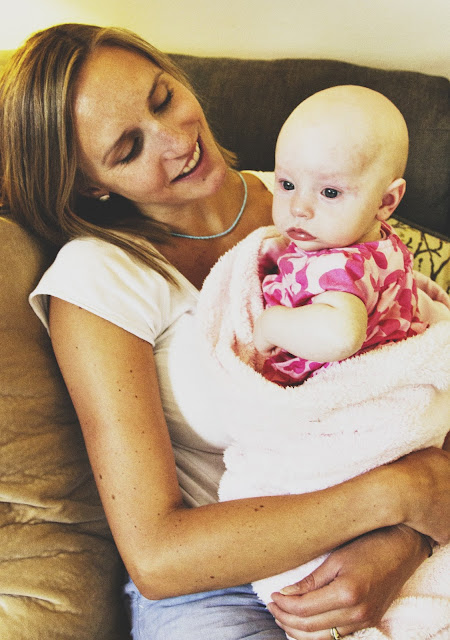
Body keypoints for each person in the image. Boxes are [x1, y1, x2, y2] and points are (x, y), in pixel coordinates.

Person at [0, 23, 449, 640]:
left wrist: (401, 540)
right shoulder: (100, 279)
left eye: (163, 98)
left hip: (403, 534)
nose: (176, 140)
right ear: (89, 184)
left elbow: (416, 373)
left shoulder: (314, 194)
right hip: (223, 580)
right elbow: (157, 557)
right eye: (129, 148)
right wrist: (397, 496)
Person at [252, 85, 427, 386]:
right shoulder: (382, 242)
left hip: (323, 389)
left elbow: (341, 335)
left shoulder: (338, 266)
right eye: (287, 184)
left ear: (385, 202)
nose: (298, 208)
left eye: (330, 192)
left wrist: (271, 324)